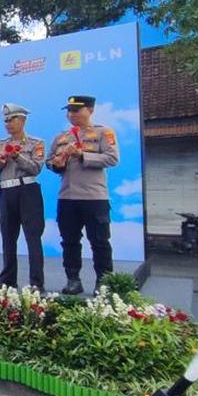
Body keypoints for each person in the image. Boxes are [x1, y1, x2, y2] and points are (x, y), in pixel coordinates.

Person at [46, 95, 119, 296]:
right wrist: (56, 164)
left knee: (100, 242)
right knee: (69, 241)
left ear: (90, 110)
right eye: (69, 110)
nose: (72, 114)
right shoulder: (62, 137)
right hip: (67, 197)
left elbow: (112, 158)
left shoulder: (103, 133)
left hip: (94, 197)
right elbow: (49, 161)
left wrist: (82, 155)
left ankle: (103, 283)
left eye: (77, 110)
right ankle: (73, 280)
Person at [0, 104, 46, 290]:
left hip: (27, 190)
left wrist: (18, 156)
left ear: (23, 120)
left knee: (33, 237)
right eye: (6, 120)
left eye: (12, 119)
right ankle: (8, 278)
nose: (8, 124)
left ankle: (36, 281)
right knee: (8, 237)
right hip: (6, 192)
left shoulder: (36, 143)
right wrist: (1, 161)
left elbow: (36, 168)